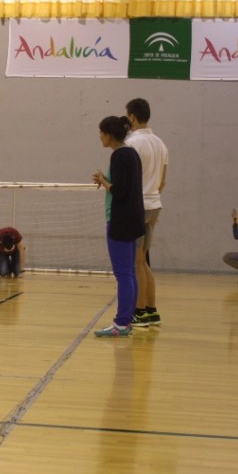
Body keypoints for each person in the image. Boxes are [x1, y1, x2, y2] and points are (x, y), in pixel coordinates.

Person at [91, 115, 146, 337]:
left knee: (123, 274)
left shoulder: (119, 156)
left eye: (101, 133)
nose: (100, 137)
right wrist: (107, 180)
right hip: (133, 219)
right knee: (130, 272)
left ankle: (121, 323)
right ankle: (127, 319)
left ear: (109, 134)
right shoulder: (131, 154)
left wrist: (104, 182)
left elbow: (120, 191)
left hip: (120, 220)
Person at [124, 98, 168, 328]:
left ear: (132, 117)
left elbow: (128, 181)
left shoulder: (132, 144)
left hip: (138, 206)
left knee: (137, 262)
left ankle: (139, 311)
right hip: (154, 205)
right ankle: (151, 310)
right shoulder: (160, 143)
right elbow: (163, 182)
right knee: (144, 261)